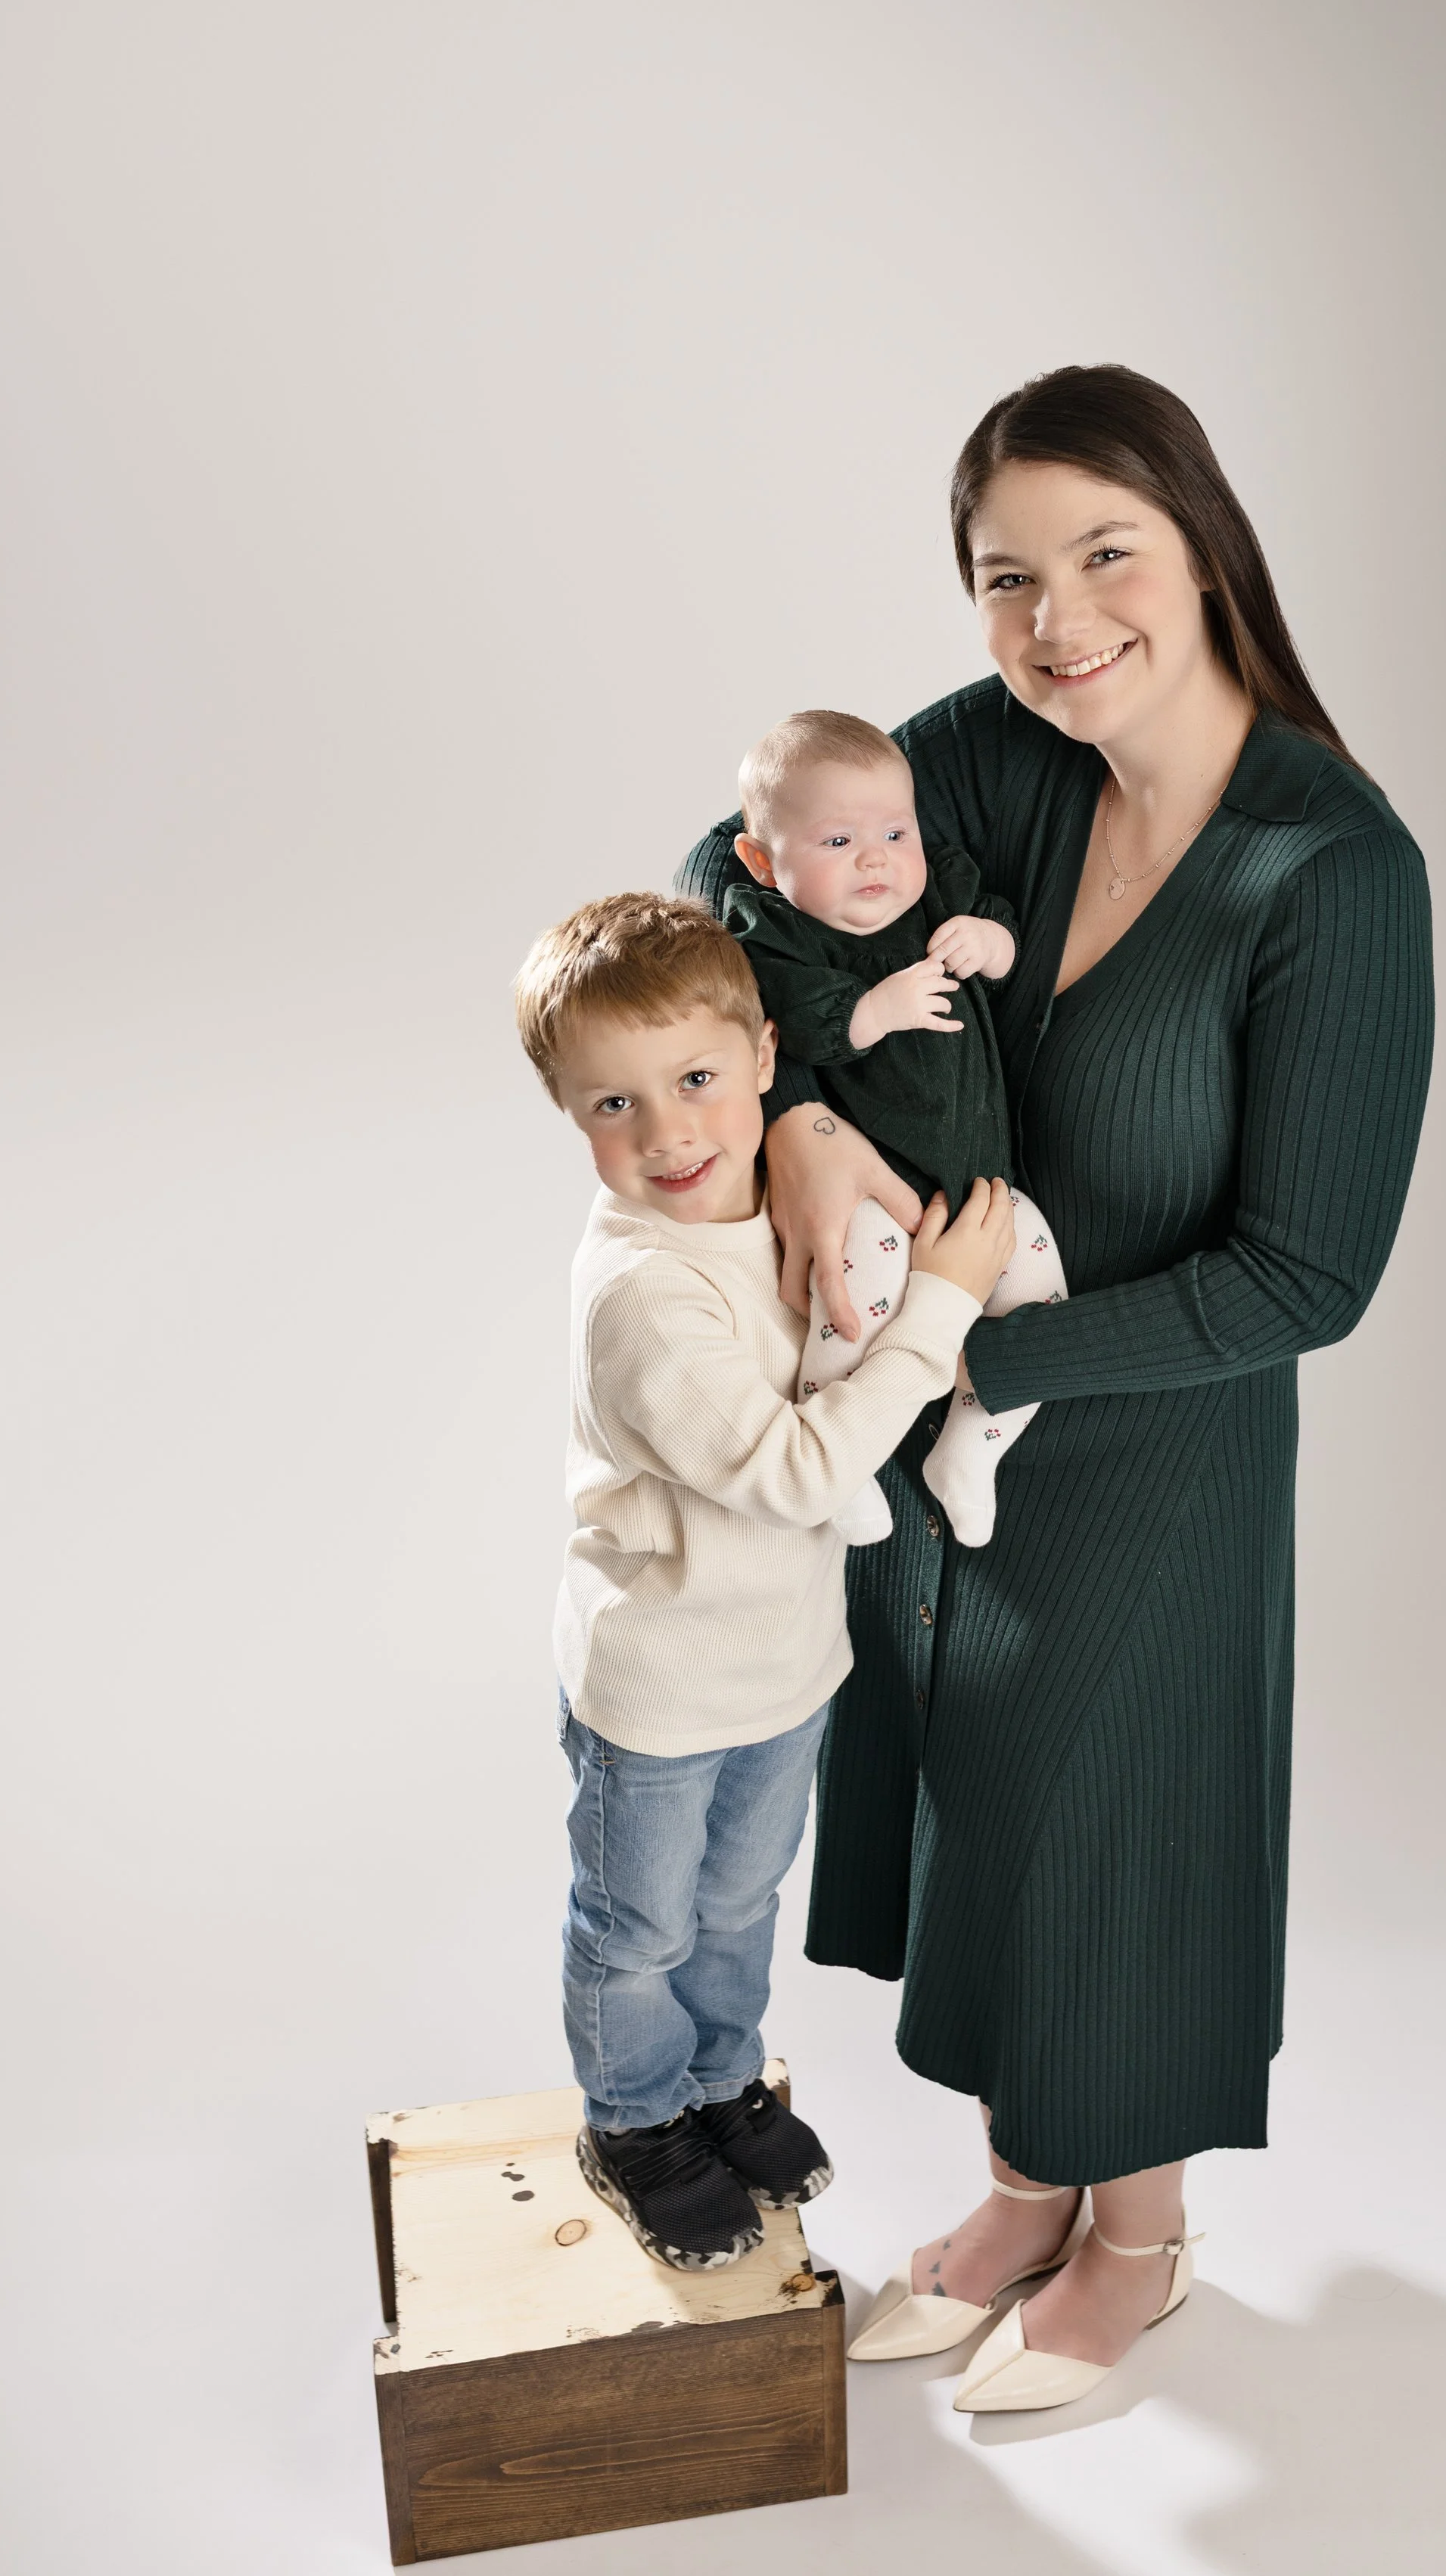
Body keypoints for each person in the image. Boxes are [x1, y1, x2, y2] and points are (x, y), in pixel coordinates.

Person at [679, 363, 1434, 2409]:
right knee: (989, 1818)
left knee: (1120, 1845)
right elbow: (731, 866)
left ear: (1204, 547)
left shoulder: (1328, 866)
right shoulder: (1001, 758)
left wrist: (964, 1345)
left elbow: (1308, 1273)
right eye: (1004, 577)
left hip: (1148, 1443)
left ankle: (1139, 2238)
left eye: (1104, 554)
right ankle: (1025, 2194)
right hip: (929, 1443)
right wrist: (804, 1126)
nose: (1055, 619)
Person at [512, 890, 1015, 2270]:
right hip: (660, 1686)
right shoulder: (645, 1294)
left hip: (783, 1662)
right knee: (638, 1929)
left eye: (695, 1081)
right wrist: (940, 1307)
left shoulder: (774, 1200)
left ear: (764, 1056)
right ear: (568, 1112)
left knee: (738, 1905)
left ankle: (720, 2083)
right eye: (613, 1104)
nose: (668, 1133)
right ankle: (634, 2121)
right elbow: (797, 1470)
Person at [723, 707, 1069, 1549]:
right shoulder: (779, 935)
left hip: (981, 1191)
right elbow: (784, 1021)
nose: (875, 857)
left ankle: (971, 1449)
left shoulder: (939, 894)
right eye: (838, 841)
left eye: (894, 832)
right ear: (763, 862)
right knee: (849, 1312)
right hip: (873, 1197)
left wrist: (990, 942)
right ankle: (837, 1460)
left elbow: (1010, 944)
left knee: (1044, 1306)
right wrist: (874, 1009)